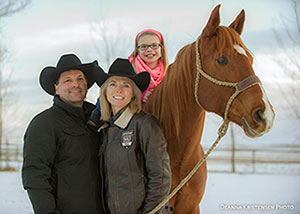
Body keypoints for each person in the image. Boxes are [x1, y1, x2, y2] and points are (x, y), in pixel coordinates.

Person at [22, 53, 105, 214]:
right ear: (56, 88)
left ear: (87, 85)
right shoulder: (44, 124)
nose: (76, 84)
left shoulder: (99, 118)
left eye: (80, 79)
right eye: (68, 80)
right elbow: (35, 175)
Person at [94, 58, 171, 214]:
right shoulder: (104, 128)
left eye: (126, 85)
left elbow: (160, 177)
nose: (119, 90)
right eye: (113, 84)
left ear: (134, 94)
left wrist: (151, 212)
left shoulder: (145, 124)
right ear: (105, 91)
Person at [128, 29, 169, 103]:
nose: (149, 49)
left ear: (161, 48)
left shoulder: (168, 71)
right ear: (137, 50)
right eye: (144, 46)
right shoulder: (129, 69)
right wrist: (141, 96)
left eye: (154, 45)